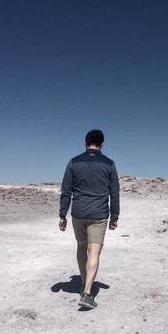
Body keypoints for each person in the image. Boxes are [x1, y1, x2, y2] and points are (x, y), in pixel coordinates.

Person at [59, 129, 120, 309]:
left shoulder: (73, 162)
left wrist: (62, 214)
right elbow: (114, 193)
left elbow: (66, 191)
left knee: (81, 247)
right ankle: (87, 293)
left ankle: (83, 283)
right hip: (99, 214)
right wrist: (115, 216)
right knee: (94, 251)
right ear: (102, 144)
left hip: (78, 213)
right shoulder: (109, 164)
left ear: (85, 143)